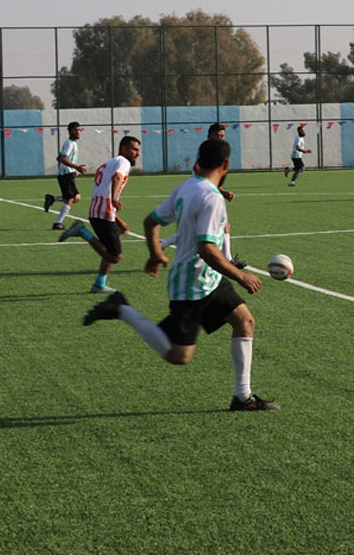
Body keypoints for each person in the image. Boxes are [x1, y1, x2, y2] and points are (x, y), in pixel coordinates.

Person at [82, 137, 278, 411]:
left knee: (245, 321)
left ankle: (243, 397)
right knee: (179, 356)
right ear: (226, 164)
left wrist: (154, 253)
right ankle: (121, 309)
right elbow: (207, 249)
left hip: (209, 279)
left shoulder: (187, 188)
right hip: (190, 285)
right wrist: (240, 275)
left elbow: (151, 222)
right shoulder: (211, 198)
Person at [58, 135, 141, 293]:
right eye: (134, 149)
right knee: (115, 256)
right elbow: (117, 178)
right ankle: (81, 231)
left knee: (114, 246)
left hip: (100, 210)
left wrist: (118, 219)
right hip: (104, 212)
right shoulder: (123, 162)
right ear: (124, 149)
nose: (137, 153)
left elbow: (103, 189)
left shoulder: (109, 162)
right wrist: (115, 198)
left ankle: (99, 284)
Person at [160, 123, 246, 268]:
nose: (220, 138)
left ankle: (164, 243)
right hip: (203, 194)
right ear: (209, 136)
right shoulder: (209, 152)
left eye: (222, 136)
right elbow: (206, 176)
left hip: (201, 191)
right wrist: (223, 192)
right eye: (217, 135)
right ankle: (227, 260)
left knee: (200, 229)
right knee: (217, 227)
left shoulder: (212, 150)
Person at [44, 121, 88, 230]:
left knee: (76, 198)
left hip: (67, 173)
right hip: (65, 175)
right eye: (75, 130)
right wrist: (76, 167)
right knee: (70, 199)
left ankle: (52, 199)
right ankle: (58, 223)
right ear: (69, 131)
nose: (78, 132)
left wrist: (73, 169)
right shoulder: (69, 143)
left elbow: (63, 159)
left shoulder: (73, 143)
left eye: (79, 130)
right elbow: (61, 158)